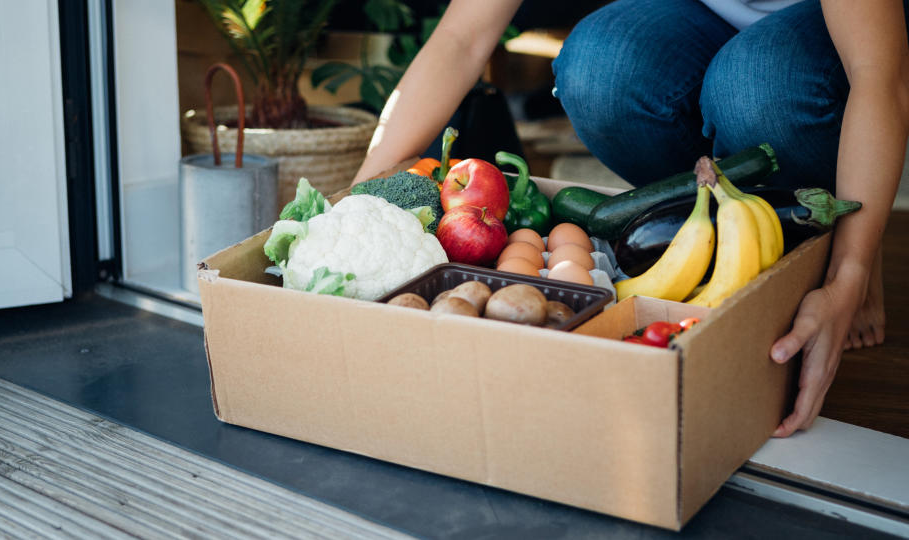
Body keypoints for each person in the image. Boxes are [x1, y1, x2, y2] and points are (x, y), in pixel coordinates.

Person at [351, 0, 907, 437]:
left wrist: (849, 275)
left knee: (755, 88)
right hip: (697, 15)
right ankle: (710, 232)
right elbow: (462, 35)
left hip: (829, 34)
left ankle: (835, 222)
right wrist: (360, 194)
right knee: (601, 67)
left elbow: (879, 75)